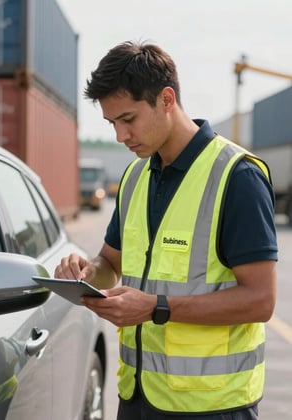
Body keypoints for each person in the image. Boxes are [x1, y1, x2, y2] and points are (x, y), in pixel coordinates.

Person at [54, 41, 278, 419]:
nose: (120, 136)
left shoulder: (237, 177)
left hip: (213, 407)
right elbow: (111, 261)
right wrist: (88, 272)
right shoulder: (135, 176)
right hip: (138, 396)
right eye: (112, 124)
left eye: (128, 119)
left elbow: (261, 301)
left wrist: (157, 308)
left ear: (166, 99)